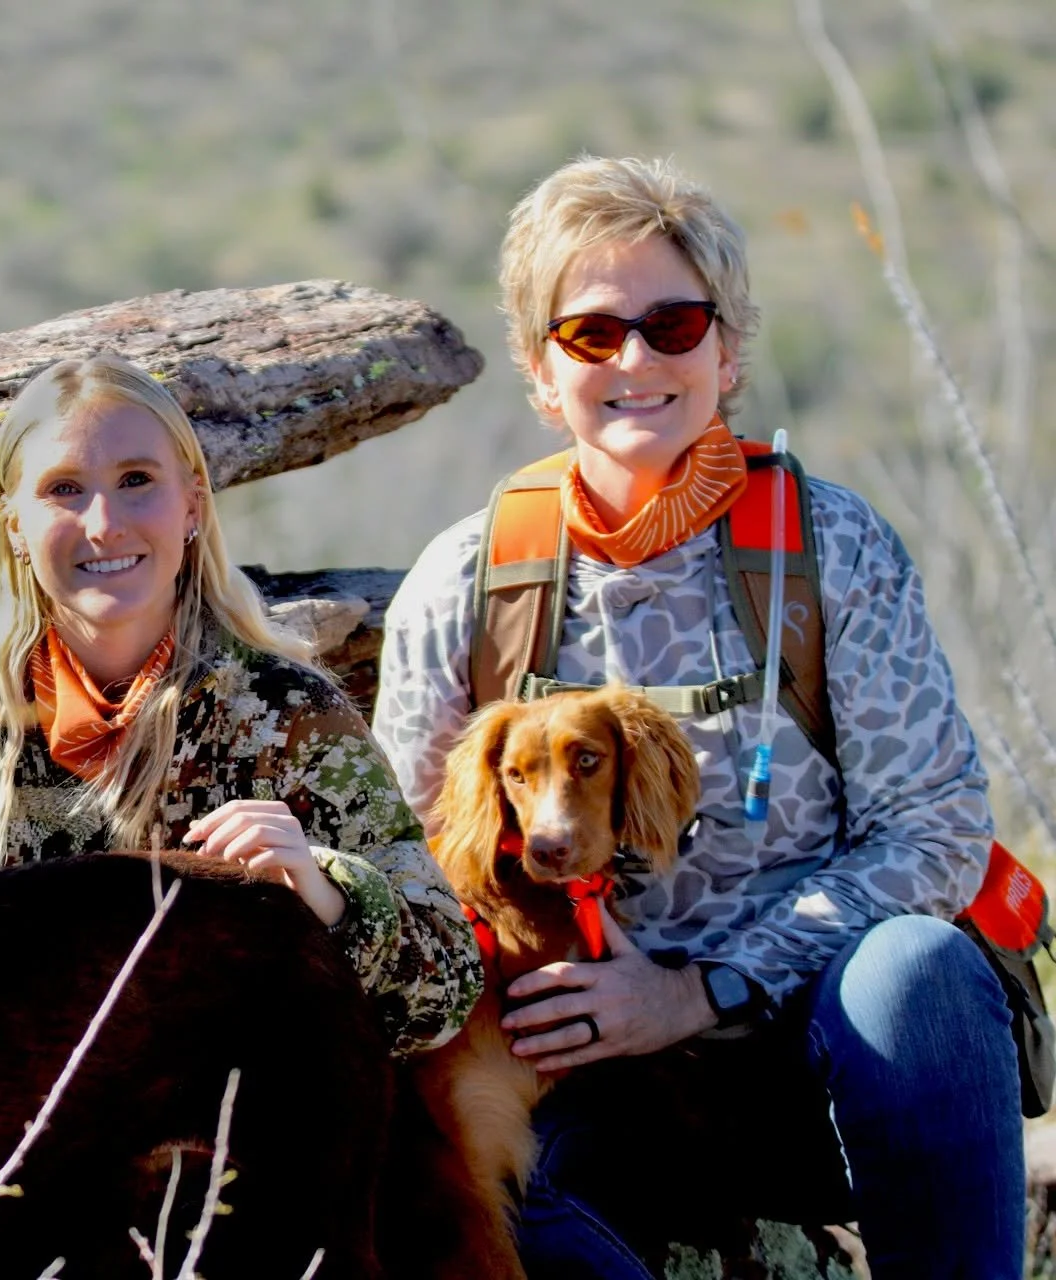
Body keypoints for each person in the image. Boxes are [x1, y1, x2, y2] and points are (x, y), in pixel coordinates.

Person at [371, 154, 1022, 1277]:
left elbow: (939, 829)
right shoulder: (469, 578)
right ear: (538, 369)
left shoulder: (831, 546)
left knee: (919, 968)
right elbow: (401, 865)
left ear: (727, 350)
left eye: (674, 324)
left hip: (817, 1057)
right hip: (575, 1071)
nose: (636, 359)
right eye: (591, 334)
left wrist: (698, 987)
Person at [0, 352, 481, 1059]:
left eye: (136, 481)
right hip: (3, 1155)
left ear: (193, 504)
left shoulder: (288, 715)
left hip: (228, 1153)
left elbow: (445, 993)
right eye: (65, 489)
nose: (104, 524)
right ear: (13, 523)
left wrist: (322, 892)